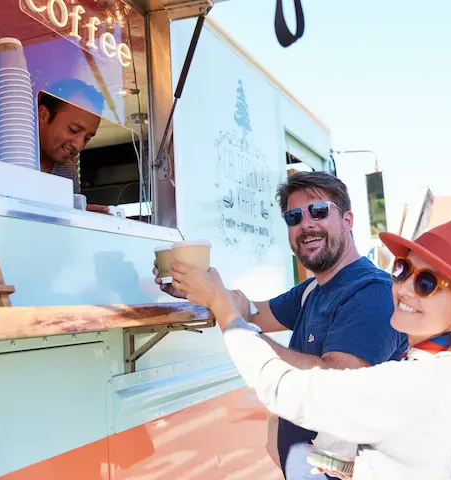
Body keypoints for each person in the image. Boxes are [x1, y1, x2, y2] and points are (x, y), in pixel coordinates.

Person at [169, 214, 451, 479]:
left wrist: (221, 306)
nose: (405, 288)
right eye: (404, 269)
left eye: (427, 283)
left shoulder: (417, 384)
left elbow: (282, 388)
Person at [155, 172, 407, 480]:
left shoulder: (371, 291)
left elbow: (337, 383)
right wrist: (197, 289)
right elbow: (250, 311)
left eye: (319, 211)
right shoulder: (313, 289)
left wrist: (227, 313)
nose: (306, 224)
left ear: (348, 220)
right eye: (294, 217)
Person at [37, 78, 109, 214]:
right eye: (73, 130)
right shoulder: (12, 155)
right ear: (43, 116)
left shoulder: (68, 171)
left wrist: (81, 216)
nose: (79, 145)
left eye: (87, 138)